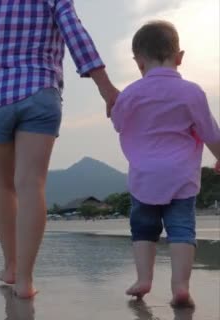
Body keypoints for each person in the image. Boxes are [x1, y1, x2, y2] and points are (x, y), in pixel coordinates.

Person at [0, 0, 119, 298]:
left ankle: (11, 267)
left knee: (3, 186)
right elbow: (75, 32)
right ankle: (26, 280)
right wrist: (105, 88)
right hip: (40, 90)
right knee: (31, 185)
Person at [111, 20, 220, 308]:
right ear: (179, 56)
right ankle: (180, 286)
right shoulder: (192, 92)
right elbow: (210, 131)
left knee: (143, 230)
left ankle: (144, 279)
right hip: (181, 177)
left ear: (139, 62)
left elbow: (119, 123)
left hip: (144, 178)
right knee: (182, 230)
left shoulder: (131, 93)